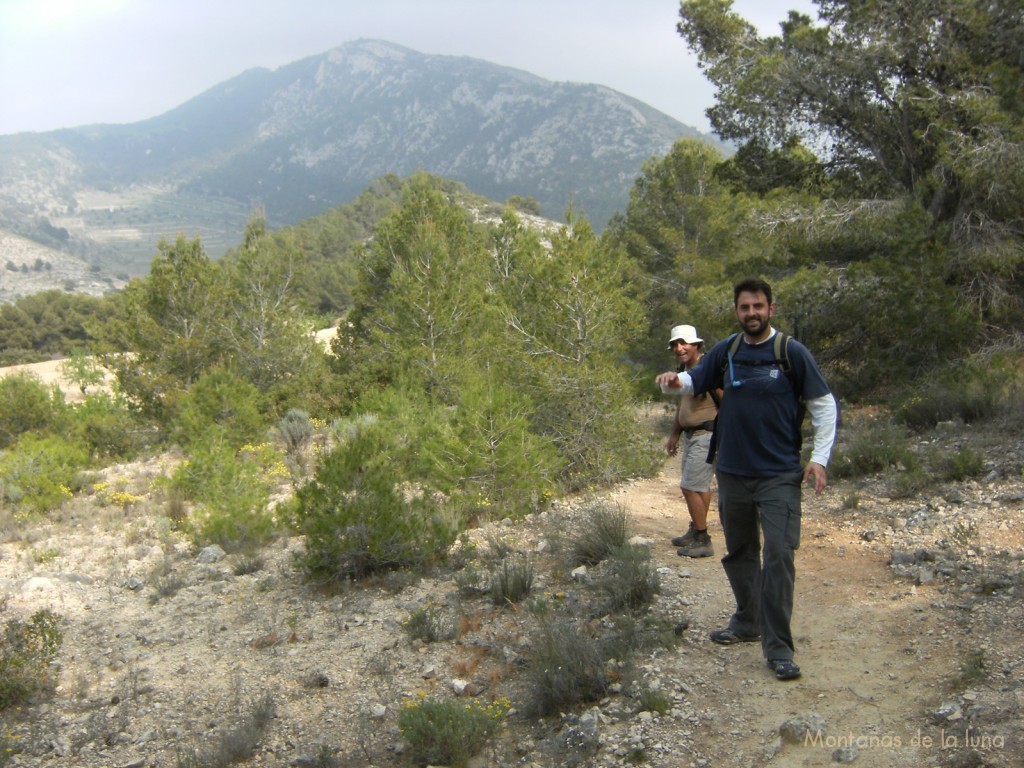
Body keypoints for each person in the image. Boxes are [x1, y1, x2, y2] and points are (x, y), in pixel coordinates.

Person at [655, 278, 837, 681]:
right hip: (734, 472)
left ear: (771, 309)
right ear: (737, 311)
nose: (751, 313)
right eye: (744, 307)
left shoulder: (791, 353)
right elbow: (695, 380)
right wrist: (674, 381)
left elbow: (823, 405)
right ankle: (748, 620)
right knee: (739, 552)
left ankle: (778, 648)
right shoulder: (728, 351)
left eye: (758, 306)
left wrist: (819, 459)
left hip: (778, 475)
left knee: (778, 555)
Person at [663, 324, 719, 558]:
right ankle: (696, 529)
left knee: (690, 486)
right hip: (692, 436)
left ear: (696, 345)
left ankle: (703, 538)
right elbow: (682, 406)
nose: (679, 348)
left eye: (684, 343)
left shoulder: (707, 370)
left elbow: (726, 400)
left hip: (706, 435)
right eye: (675, 344)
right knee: (699, 486)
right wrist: (675, 433)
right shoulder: (685, 372)